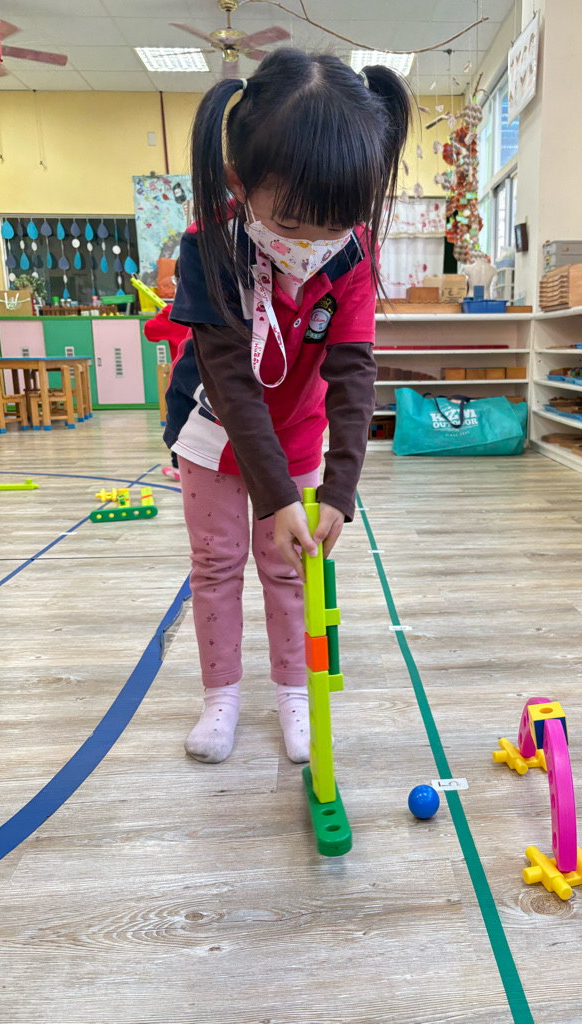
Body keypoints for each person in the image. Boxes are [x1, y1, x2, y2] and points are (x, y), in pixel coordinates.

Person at [165, 49, 412, 765]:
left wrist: (339, 489)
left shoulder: (351, 254)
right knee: (216, 566)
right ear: (239, 183)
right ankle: (221, 699)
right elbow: (230, 384)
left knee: (288, 571)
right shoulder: (209, 247)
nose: (313, 244)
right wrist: (276, 500)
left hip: (299, 434)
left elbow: (353, 371)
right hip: (215, 432)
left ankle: (294, 693)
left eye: (336, 224)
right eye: (296, 221)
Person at [143, 261, 190, 480]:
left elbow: (150, 331)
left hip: (184, 384)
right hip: (217, 381)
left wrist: (164, 313)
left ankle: (179, 469)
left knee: (180, 426)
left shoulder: (174, 312)